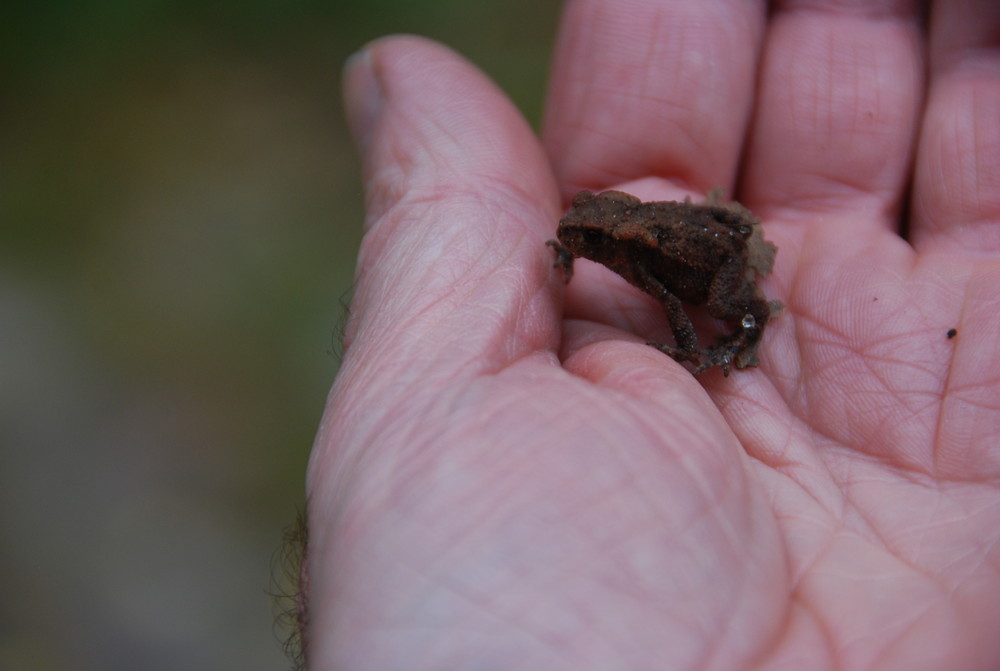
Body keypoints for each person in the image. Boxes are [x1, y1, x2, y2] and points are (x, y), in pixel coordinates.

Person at [303, 1, 1000, 668]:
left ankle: (747, 335)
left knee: (737, 305)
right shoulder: (610, 240)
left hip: (712, 265)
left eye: (591, 237)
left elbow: (673, 300)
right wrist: (571, 250)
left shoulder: (640, 259)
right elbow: (591, 236)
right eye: (582, 229)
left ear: (616, 243)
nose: (575, 238)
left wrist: (699, 350)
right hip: (694, 226)